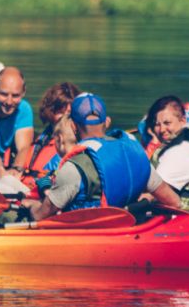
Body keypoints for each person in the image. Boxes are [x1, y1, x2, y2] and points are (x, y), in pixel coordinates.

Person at [21, 92, 179, 221]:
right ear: (107, 122)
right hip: (132, 228)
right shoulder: (136, 154)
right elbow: (174, 203)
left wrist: (31, 205)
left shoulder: (74, 167)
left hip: (89, 236)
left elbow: (40, 215)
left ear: (73, 126)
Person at [144, 95, 189, 213]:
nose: (162, 129)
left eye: (167, 123)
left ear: (182, 121)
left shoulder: (182, 150)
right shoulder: (182, 142)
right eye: (157, 124)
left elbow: (152, 191)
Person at [24, 81, 81, 175]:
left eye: (69, 114)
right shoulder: (42, 138)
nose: (64, 118)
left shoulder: (75, 145)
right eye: (60, 112)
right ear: (50, 111)